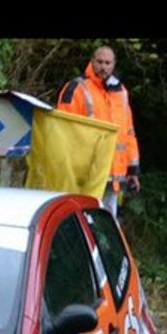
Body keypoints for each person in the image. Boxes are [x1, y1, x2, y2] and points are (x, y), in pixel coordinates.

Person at [57, 45, 140, 219]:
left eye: (107, 63)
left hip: (113, 177)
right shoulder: (77, 88)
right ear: (92, 62)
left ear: (114, 65)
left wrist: (133, 172)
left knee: (106, 225)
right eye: (100, 62)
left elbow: (129, 133)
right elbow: (64, 131)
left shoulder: (121, 92)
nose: (103, 67)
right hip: (86, 174)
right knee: (84, 222)